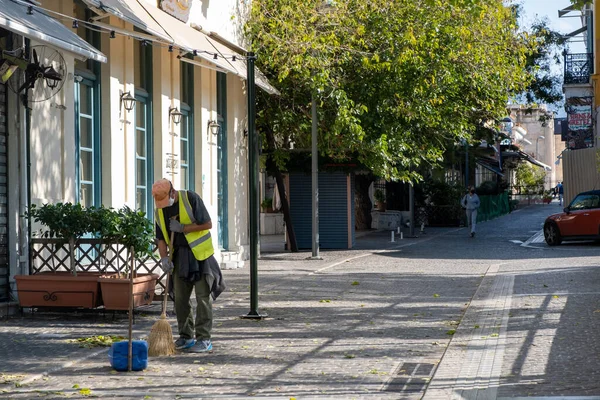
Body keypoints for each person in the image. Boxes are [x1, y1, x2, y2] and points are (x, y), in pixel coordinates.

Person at [152, 179, 225, 353]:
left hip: (200, 256)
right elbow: (161, 237)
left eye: (165, 199)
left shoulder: (190, 198)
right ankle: (186, 337)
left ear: (172, 192)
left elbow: (207, 224)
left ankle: (204, 338)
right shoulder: (159, 210)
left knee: (202, 297)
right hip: (179, 257)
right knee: (180, 299)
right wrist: (164, 259)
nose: (163, 205)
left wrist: (183, 228)